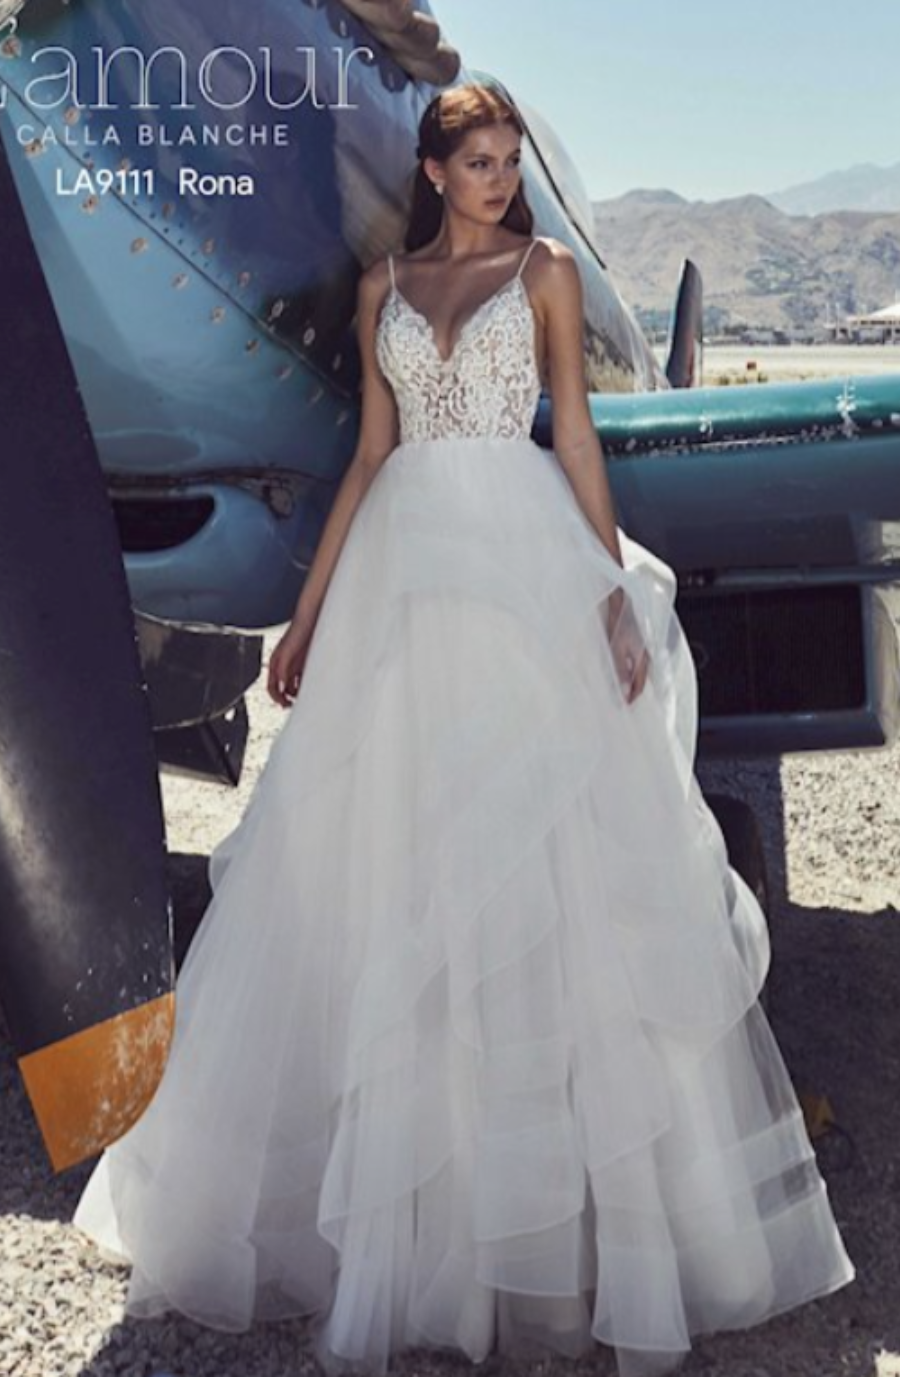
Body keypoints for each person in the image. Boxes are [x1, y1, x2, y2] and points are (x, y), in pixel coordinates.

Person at [74, 83, 854, 1377]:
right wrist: (310, 619)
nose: (497, 179)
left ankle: (549, 1236)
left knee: (540, 869)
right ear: (432, 170)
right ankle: (394, 1219)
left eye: (508, 161)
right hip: (401, 574)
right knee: (389, 869)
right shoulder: (383, 291)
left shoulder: (542, 274)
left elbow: (581, 440)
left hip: (521, 563)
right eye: (476, 162)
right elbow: (373, 455)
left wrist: (611, 591)